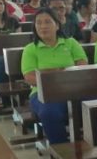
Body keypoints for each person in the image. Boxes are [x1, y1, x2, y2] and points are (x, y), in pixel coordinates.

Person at [21, 8, 88, 144]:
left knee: (96, 104)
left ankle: (94, 145)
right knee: (49, 113)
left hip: (74, 89)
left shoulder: (71, 43)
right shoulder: (30, 49)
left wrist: (48, 73)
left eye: (47, 22)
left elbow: (82, 66)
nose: (43, 26)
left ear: (57, 25)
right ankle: (61, 150)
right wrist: (61, 71)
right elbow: (30, 77)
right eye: (38, 23)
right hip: (43, 93)